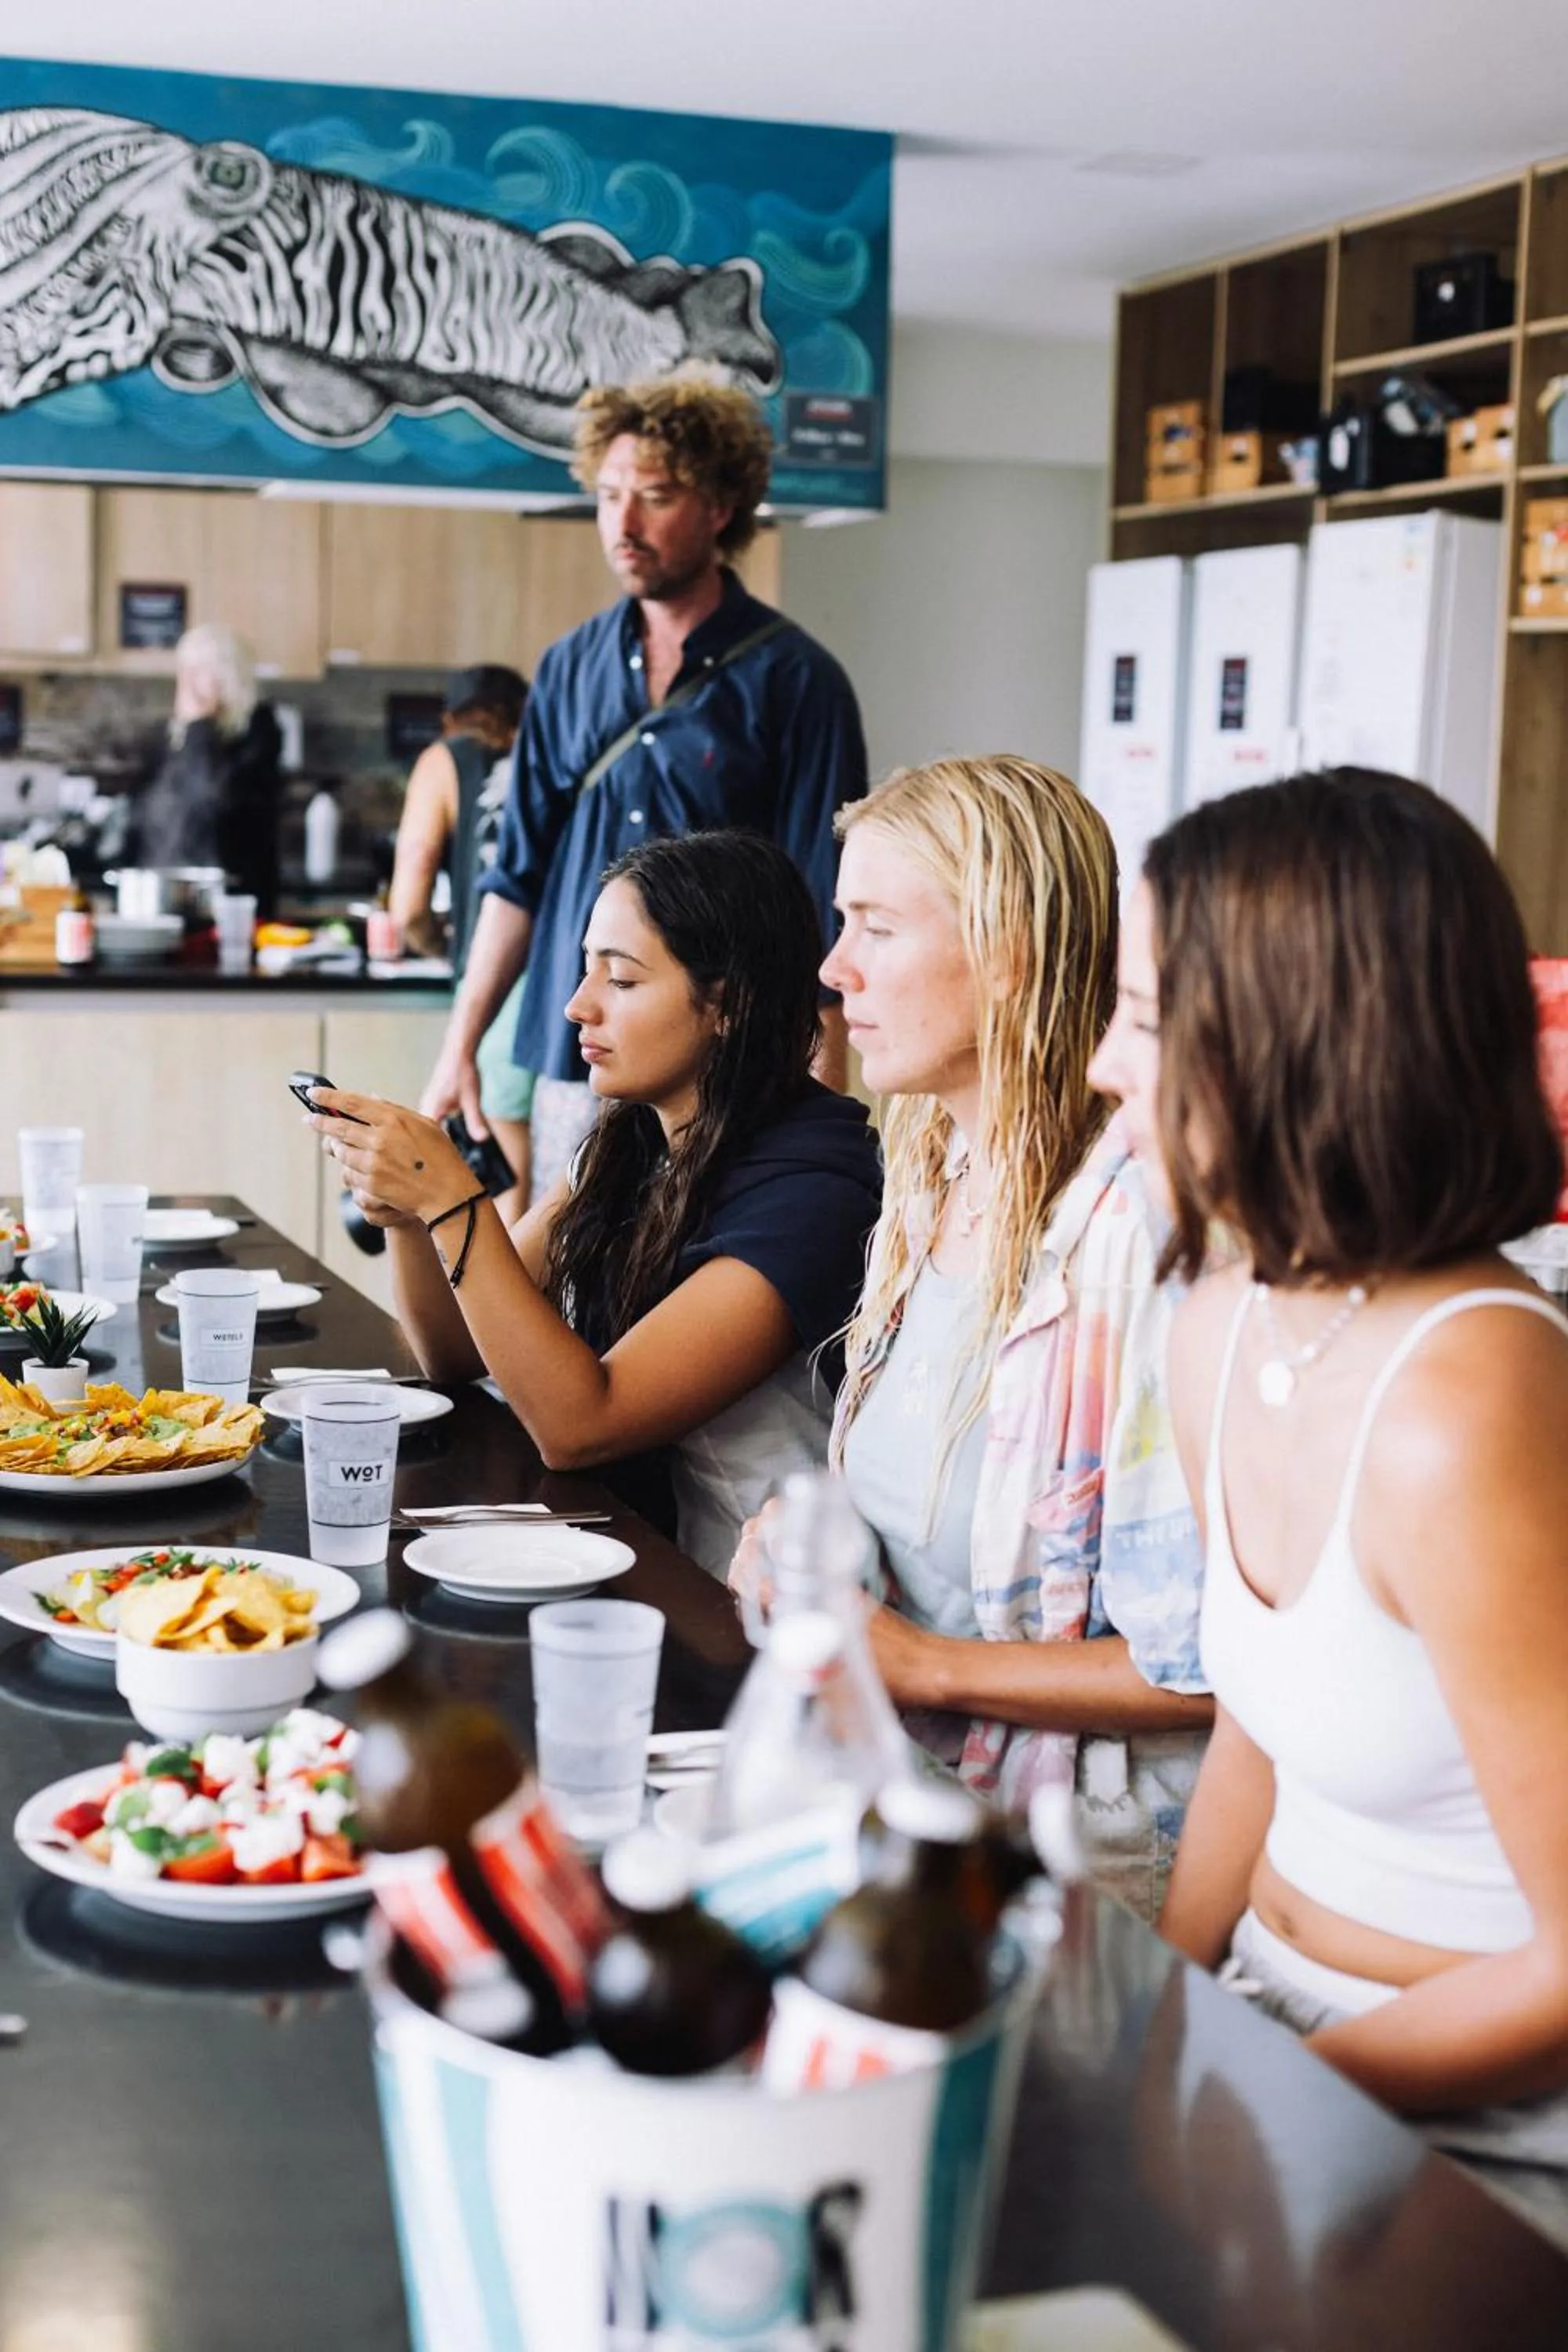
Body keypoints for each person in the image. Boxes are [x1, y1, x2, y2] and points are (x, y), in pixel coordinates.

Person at [1091, 767, 1568, 2222]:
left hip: (1487, 2130)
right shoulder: (1227, 1312)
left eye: (1150, 1019)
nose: (1108, 1065)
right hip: (1276, 2034)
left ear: (1303, 1048)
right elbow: (1265, 1719)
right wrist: (1163, 2020)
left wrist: (1263, 2089)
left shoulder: (1471, 1398)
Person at [734, 756, 1210, 1923]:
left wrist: (920, 1664)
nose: (834, 970)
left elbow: (1214, 1673)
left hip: (1081, 1873)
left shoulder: (1140, 1239)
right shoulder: (932, 1165)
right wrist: (804, 1549)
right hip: (913, 1801)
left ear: (1009, 954)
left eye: (876, 928)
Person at [309, 829, 882, 1576]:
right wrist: (408, 1214)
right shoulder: (631, 1142)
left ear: (728, 1005)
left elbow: (582, 1424)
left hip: (742, 1601)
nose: (579, 1007)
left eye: (622, 980)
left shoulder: (813, 1190)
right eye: (586, 971)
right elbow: (453, 1350)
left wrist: (455, 1199)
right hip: (625, 1551)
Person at [419, 372, 866, 1201]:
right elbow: (517, 879)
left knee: (701, 1290)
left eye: (654, 497)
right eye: (608, 495)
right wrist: (460, 1045)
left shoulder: (796, 679)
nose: (622, 524)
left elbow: (821, 895)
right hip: (574, 1052)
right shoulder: (566, 670)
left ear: (720, 507)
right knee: (568, 1288)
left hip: (725, 1067)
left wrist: (822, 1083)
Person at [387, 664, 531, 1218]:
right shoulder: (552, 755)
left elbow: (410, 898)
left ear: (449, 719)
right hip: (576, 971)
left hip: (494, 973)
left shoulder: (443, 759)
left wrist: (437, 945)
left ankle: (507, 1301)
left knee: (497, 1142)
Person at [134, 623, 283, 912]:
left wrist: (201, 726)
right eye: (184, 670)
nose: (186, 682)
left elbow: (215, 800)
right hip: (169, 899)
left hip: (235, 903)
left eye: (200, 670)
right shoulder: (173, 737)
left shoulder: (259, 732)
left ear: (229, 677)